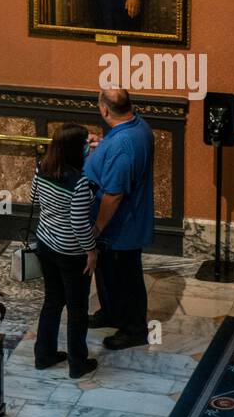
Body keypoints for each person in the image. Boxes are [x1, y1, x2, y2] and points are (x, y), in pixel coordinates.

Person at [84, 86, 155, 350]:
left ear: (104, 110)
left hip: (120, 227)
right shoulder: (138, 126)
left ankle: (134, 329)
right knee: (107, 274)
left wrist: (97, 227)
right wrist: (101, 149)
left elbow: (113, 194)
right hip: (120, 225)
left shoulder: (123, 145)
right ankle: (111, 312)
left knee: (125, 278)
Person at [31, 124, 99, 379]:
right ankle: (78, 364)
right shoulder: (79, 184)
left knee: (52, 301)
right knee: (77, 309)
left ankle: (44, 355)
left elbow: (34, 198)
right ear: (75, 149)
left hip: (45, 244)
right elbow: (79, 224)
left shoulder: (41, 168)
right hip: (71, 253)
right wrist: (91, 251)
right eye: (84, 144)